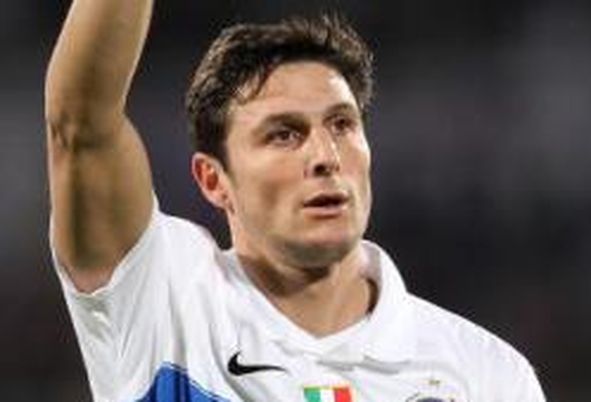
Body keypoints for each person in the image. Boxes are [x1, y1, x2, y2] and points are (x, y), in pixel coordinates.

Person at [45, 0, 546, 401]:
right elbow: (80, 125)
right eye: (284, 134)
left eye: (342, 125)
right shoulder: (165, 304)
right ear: (213, 180)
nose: (326, 157)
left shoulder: (485, 376)